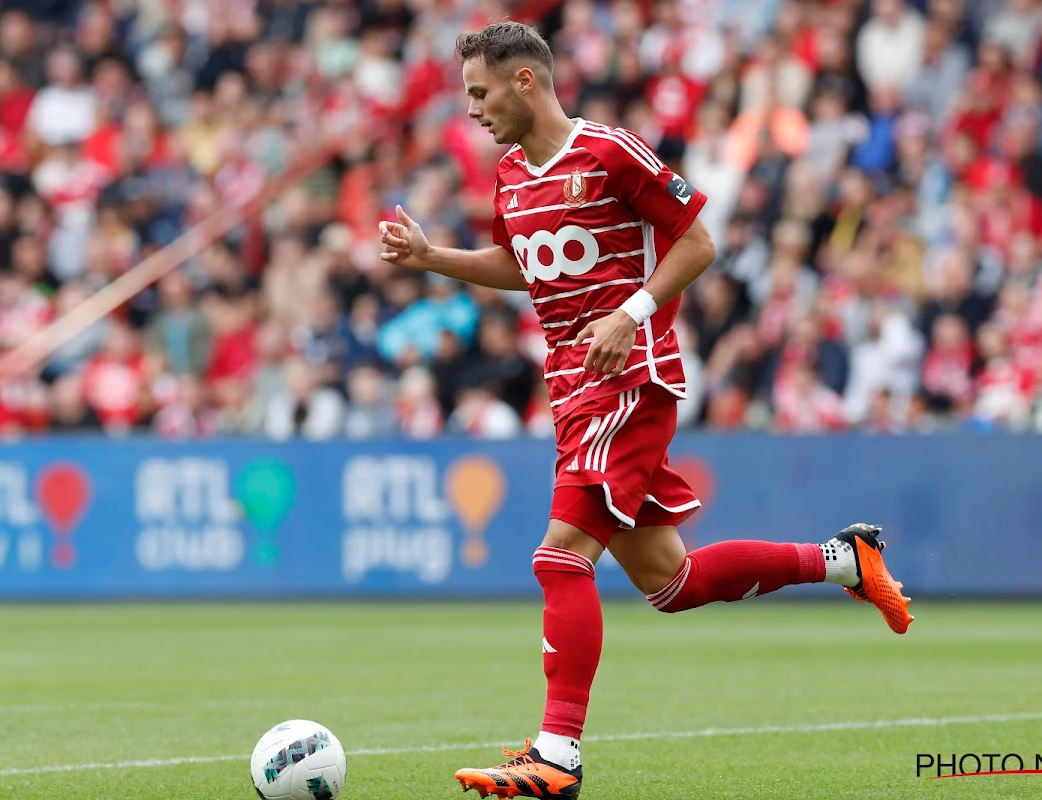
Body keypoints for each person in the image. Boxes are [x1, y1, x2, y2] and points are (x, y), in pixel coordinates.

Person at [378, 21, 914, 800]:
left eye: (480, 91)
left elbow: (698, 241)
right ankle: (846, 560)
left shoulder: (609, 151)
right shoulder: (511, 176)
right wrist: (432, 259)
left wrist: (631, 312)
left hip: (632, 376)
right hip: (571, 388)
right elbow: (517, 264)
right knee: (671, 582)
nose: (471, 109)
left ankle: (556, 757)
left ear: (526, 80)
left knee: (558, 558)